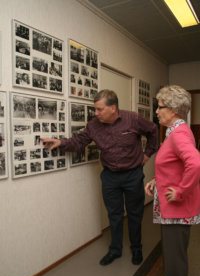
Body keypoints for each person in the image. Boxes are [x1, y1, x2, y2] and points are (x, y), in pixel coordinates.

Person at [41, 89, 158, 266]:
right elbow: (79, 141)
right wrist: (61, 142)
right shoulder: (93, 125)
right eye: (95, 109)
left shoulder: (133, 119)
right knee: (114, 215)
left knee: (134, 214)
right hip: (110, 177)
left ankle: (136, 248)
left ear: (113, 108)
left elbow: (153, 130)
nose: (95, 113)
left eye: (99, 109)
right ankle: (115, 250)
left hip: (133, 174)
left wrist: (148, 154)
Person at [145, 85, 200, 276]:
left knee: (175, 255)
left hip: (178, 207)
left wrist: (180, 192)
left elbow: (195, 164)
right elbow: (175, 165)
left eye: (160, 107)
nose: (156, 111)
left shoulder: (178, 134)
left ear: (174, 109)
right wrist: (157, 180)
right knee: (172, 252)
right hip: (174, 208)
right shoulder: (178, 130)